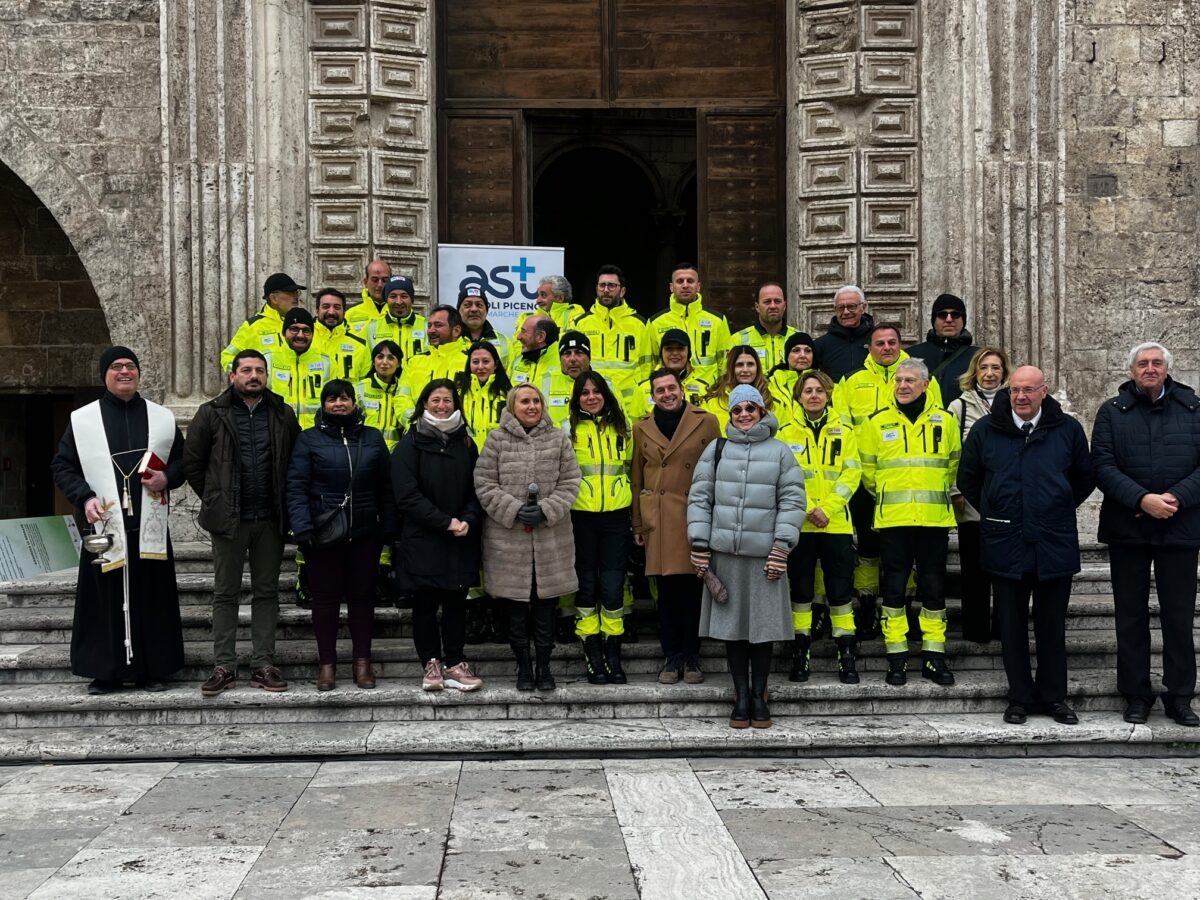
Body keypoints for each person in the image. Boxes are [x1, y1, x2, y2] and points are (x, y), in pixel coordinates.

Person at [958, 366, 1094, 725]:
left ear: (1044, 392)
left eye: (1029, 390)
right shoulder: (987, 430)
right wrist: (997, 508)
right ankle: (1019, 697)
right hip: (1006, 541)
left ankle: (1054, 698)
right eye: (1015, 389)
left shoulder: (1067, 430)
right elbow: (968, 478)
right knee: (1012, 626)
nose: (1021, 396)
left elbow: (1084, 477)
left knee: (1051, 625)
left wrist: (1057, 505)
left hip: (1053, 540)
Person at [50, 346, 186, 694]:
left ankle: (154, 670)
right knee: (105, 600)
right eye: (116, 367)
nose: (124, 371)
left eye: (130, 366)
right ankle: (104, 671)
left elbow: (185, 462)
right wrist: (85, 497)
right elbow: (62, 466)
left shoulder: (161, 418)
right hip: (105, 525)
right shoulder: (83, 420)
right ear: (104, 375)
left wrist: (167, 479)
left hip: (148, 527)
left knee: (152, 598)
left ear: (139, 373)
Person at [1092, 342, 1200, 727]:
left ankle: (1180, 697)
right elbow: (1102, 465)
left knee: (1178, 616)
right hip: (1129, 529)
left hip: (1180, 527)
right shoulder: (1112, 412)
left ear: (1167, 369)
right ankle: (1136, 694)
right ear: (1131, 370)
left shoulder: (1193, 408)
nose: (1150, 369)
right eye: (1143, 364)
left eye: (1156, 363)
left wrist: (1174, 498)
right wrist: (1142, 499)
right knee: (1130, 618)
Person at [184, 349, 301, 697]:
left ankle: (263, 663)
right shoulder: (211, 413)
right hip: (228, 521)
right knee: (226, 593)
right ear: (232, 375)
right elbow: (193, 463)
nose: (254, 376)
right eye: (246, 370)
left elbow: (294, 462)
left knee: (267, 592)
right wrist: (215, 498)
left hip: (269, 518)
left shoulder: (282, 413)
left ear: (267, 376)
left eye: (260, 370)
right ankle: (224, 665)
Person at [688, 385, 805, 728]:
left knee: (762, 630)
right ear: (731, 414)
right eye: (737, 410)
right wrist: (699, 541)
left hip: (766, 557)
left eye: (750, 409)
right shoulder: (717, 449)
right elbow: (700, 498)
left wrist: (782, 547)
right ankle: (741, 696)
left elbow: (793, 500)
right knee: (734, 631)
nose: (743, 415)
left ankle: (759, 695)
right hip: (726, 555)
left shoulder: (780, 452)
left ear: (761, 412)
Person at [286, 380, 397, 691]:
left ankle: (363, 663)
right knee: (325, 601)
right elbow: (296, 487)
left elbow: (386, 486)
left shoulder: (372, 438)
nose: (338, 404)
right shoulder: (309, 440)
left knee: (363, 599)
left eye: (344, 398)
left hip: (365, 532)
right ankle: (327, 665)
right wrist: (302, 526)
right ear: (323, 405)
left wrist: (389, 525)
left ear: (353, 403)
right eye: (332, 399)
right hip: (323, 534)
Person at [857, 358, 960, 686]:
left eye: (910, 380)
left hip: (933, 519)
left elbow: (954, 466)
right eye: (899, 379)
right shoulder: (876, 422)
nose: (902, 385)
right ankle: (896, 657)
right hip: (894, 520)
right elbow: (868, 474)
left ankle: (934, 656)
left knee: (933, 589)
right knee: (894, 589)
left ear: (926, 385)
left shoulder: (945, 421)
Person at [836, 323, 942, 637]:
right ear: (869, 347)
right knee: (867, 550)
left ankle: (905, 610)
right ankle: (867, 609)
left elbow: (934, 422)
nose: (886, 348)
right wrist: (865, 478)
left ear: (900, 345)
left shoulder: (922, 378)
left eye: (892, 342)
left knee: (904, 556)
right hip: (866, 481)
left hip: (908, 486)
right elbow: (842, 427)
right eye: (879, 343)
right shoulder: (852, 381)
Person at [474, 384, 581, 691]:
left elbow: (571, 481)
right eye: (525, 401)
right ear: (512, 406)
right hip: (509, 539)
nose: (532, 406)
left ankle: (544, 666)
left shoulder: (558, 439)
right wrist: (515, 509)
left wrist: (547, 509)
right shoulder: (496, 440)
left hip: (551, 538)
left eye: (536, 400)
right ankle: (523, 666)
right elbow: (484, 483)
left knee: (546, 604)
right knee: (516, 608)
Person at [392, 379, 484, 692]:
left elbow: (478, 486)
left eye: (447, 401)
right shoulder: (411, 441)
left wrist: (468, 519)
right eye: (435, 400)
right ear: (424, 404)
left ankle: (456, 662)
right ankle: (431, 662)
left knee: (457, 601)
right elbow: (406, 494)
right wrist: (445, 522)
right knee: (425, 603)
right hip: (424, 536)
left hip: (461, 536)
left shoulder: (467, 443)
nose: (442, 406)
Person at [631, 368, 721, 684]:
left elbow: (717, 472)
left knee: (694, 588)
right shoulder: (641, 428)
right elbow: (637, 478)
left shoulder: (706, 421)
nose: (667, 394)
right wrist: (638, 524)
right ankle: (672, 657)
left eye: (672, 388)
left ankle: (692, 656)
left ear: (681, 389)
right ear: (653, 395)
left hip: (694, 514)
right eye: (660, 391)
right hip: (659, 517)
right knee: (667, 593)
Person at [777, 370, 862, 684]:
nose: (813, 395)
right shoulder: (786, 433)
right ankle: (801, 653)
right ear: (798, 397)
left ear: (827, 395)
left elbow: (851, 474)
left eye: (819, 391)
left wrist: (826, 508)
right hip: (801, 526)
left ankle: (846, 654)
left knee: (839, 594)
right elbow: (785, 476)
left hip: (835, 524)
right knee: (800, 593)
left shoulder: (845, 430)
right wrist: (810, 507)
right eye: (807, 391)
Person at [567, 371, 633, 684]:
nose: (591, 397)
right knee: (586, 586)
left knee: (612, 585)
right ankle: (591, 649)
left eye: (596, 391)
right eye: (584, 392)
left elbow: (633, 468)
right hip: (580, 517)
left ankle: (612, 648)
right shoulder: (569, 430)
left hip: (616, 516)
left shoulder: (623, 428)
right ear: (577, 397)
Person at [946, 347, 1012, 643]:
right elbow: (951, 453)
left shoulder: (1016, 402)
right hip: (972, 500)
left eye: (996, 368)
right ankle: (976, 630)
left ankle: (1004, 628)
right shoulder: (958, 407)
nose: (989, 373)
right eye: (984, 367)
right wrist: (955, 491)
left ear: (1004, 372)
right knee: (974, 570)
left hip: (1007, 501)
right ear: (975, 372)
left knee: (1006, 569)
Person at [644, 263, 731, 384]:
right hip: (668, 392)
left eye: (690, 281)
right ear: (671, 287)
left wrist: (722, 390)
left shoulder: (718, 320)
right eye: (680, 281)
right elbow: (647, 365)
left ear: (698, 286)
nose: (685, 285)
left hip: (708, 393)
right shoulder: (655, 322)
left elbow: (726, 362)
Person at [573, 264, 649, 394]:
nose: (606, 290)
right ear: (597, 289)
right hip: (592, 398)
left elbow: (647, 366)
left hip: (630, 402)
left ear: (622, 291)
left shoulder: (640, 324)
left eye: (611, 285)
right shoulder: (581, 323)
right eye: (602, 285)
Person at [263, 307, 333, 429]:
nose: (300, 335)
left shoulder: (326, 362)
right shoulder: (267, 360)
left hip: (315, 435)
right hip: (277, 433)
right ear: (284, 333)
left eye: (306, 331)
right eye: (294, 329)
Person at [220, 272, 306, 371]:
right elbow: (227, 356)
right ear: (274, 298)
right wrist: (248, 374)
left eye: (296, 292)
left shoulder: (302, 324)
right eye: (290, 292)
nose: (296, 297)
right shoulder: (253, 326)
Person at [907, 293, 980, 405]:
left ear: (963, 319)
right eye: (942, 315)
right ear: (934, 320)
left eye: (955, 314)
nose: (949, 319)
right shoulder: (911, 355)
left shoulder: (978, 356)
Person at [631, 328, 710, 414]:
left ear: (688, 353)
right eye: (669, 349)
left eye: (680, 348)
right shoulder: (643, 389)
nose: (675, 353)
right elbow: (635, 425)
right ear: (661, 353)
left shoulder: (704, 388)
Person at [359, 275, 428, 366]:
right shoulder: (372, 327)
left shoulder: (426, 326)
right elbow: (365, 364)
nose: (398, 302)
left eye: (404, 296)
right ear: (386, 300)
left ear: (412, 300)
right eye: (393, 296)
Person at [400, 305, 472, 392]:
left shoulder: (471, 361)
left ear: (456, 331)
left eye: (438, 325)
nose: (431, 330)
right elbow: (402, 398)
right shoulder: (413, 362)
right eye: (429, 326)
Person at [731, 283, 800, 373]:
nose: (773, 306)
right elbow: (729, 377)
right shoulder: (737, 340)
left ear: (784, 306)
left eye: (777, 301)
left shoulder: (799, 337)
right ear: (757, 307)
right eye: (767, 302)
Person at [458, 340, 512, 452]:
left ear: (496, 364)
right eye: (475, 362)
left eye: (486, 361)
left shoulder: (509, 395)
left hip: (498, 459)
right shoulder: (458, 394)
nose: (480, 367)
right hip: (466, 458)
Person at [355, 339, 409, 451]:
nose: (384, 362)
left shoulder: (404, 390)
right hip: (365, 451)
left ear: (398, 363)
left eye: (391, 358)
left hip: (397, 453)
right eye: (380, 357)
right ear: (373, 362)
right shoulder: (359, 389)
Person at [812, 285, 874, 381]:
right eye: (841, 307)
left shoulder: (878, 341)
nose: (846, 312)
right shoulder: (820, 345)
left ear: (863, 307)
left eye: (851, 306)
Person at [701, 344, 777, 423]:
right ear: (731, 368)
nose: (745, 369)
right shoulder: (712, 404)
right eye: (739, 365)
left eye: (750, 364)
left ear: (757, 368)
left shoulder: (772, 398)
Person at [312, 287, 369, 381]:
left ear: (344, 312)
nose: (331, 312)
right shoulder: (304, 341)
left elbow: (364, 386)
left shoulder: (360, 346)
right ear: (317, 311)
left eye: (337, 307)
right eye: (326, 306)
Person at [513, 275, 585, 341]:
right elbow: (517, 347)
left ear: (560, 298)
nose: (538, 300)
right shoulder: (526, 317)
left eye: (543, 295)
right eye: (538, 295)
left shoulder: (575, 313)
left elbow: (572, 341)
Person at [767, 331, 817, 424]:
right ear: (787, 356)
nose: (802, 355)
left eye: (808, 351)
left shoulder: (826, 385)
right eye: (796, 350)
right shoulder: (770, 385)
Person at [457, 286, 510, 369]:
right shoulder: (449, 340)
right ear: (459, 310)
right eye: (467, 305)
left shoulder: (504, 342)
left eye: (479, 305)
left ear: (486, 310)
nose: (474, 309)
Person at [509, 314, 561, 386]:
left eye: (523, 332)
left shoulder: (563, 362)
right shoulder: (518, 361)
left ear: (540, 336)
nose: (518, 337)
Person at [345, 259, 392, 327]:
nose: (380, 285)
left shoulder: (401, 312)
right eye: (374, 280)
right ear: (365, 282)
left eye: (385, 280)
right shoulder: (349, 313)